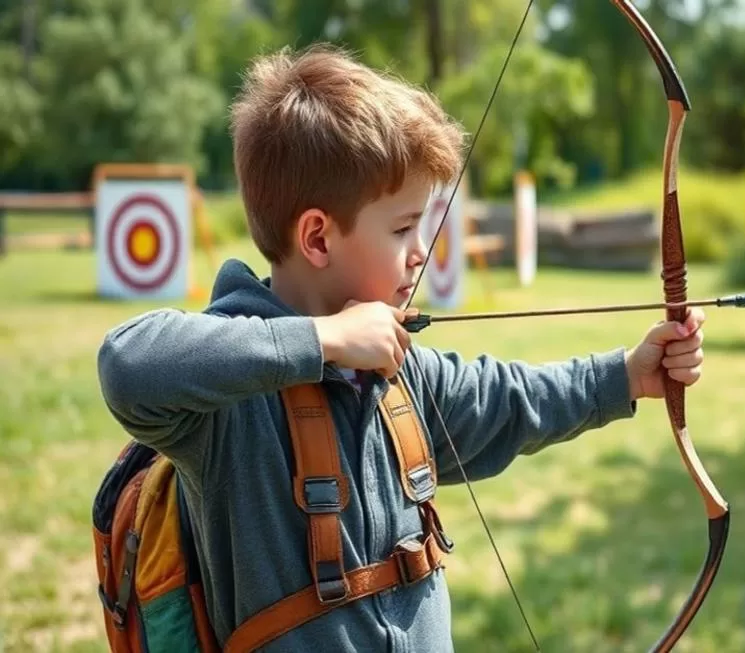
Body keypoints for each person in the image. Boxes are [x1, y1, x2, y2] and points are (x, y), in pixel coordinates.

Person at [97, 44, 707, 652]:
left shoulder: (399, 375)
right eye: (400, 228)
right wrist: (325, 339)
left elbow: (506, 401)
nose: (421, 251)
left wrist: (628, 375)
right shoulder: (228, 413)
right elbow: (129, 363)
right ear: (317, 236)